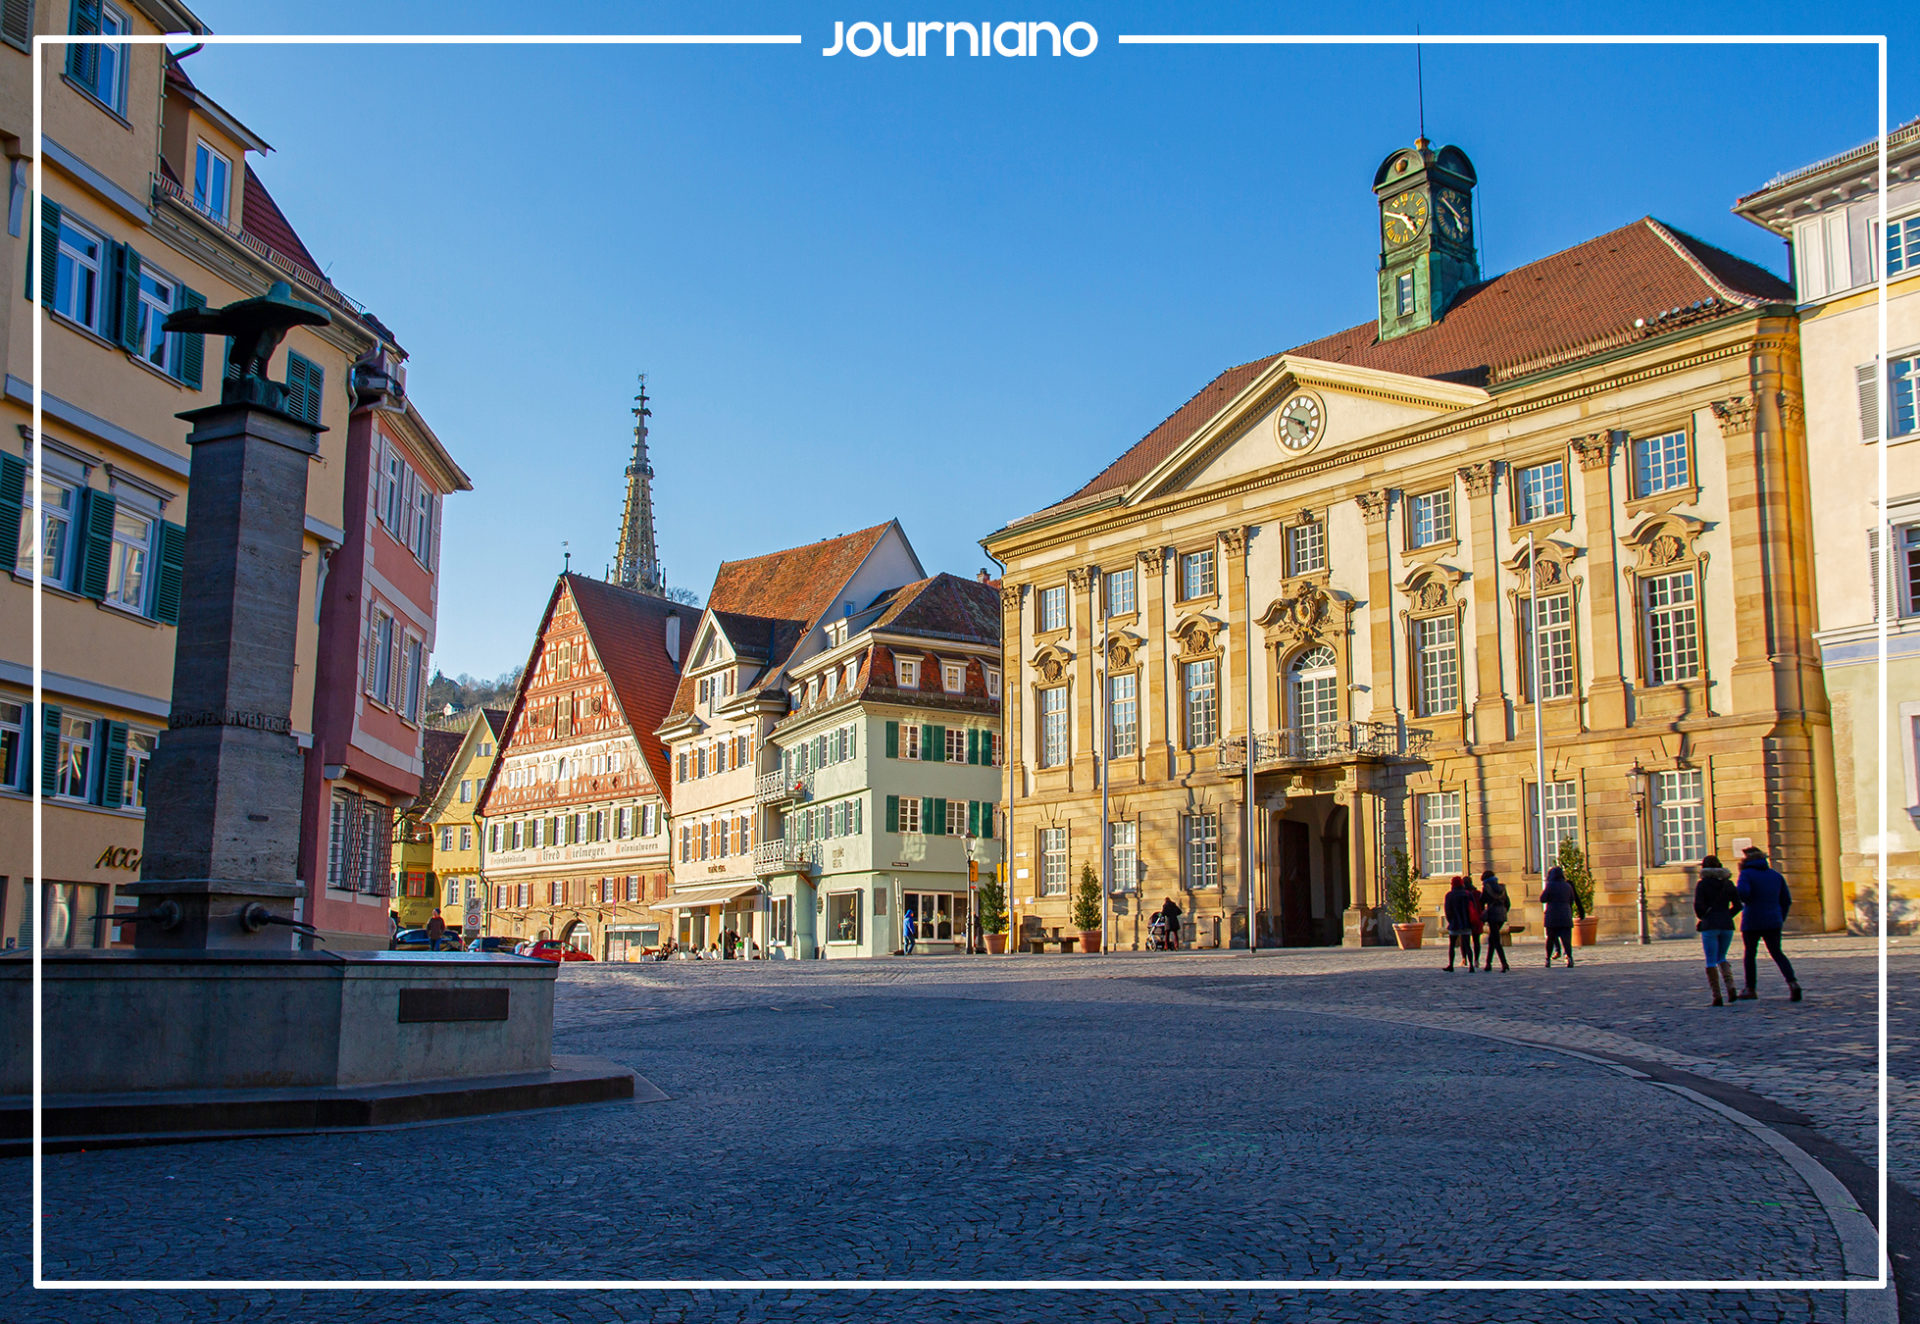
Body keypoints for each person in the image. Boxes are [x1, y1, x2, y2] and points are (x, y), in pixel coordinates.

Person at [1736, 847, 1802, 1001]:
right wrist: (1780, 917)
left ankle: (1750, 988)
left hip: (1753, 919)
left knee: (1750, 954)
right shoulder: (1776, 876)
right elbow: (1786, 901)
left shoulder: (1746, 874)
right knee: (1777, 952)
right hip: (1773, 920)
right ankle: (1793, 983)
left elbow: (1744, 894)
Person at [1694, 854, 1741, 1006]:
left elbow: (1698, 907)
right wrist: (1727, 915)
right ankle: (1731, 988)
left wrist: (1704, 917)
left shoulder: (1702, 885)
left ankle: (1717, 995)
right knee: (1722, 956)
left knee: (1710, 960)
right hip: (1726, 925)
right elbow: (1738, 905)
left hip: (1710, 925)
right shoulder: (1728, 884)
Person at [1541, 865, 1582, 967]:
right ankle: (1569, 957)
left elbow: (1543, 899)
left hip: (1552, 915)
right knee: (1566, 940)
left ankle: (1547, 959)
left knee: (1550, 939)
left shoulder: (1550, 885)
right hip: (1565, 914)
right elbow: (1572, 899)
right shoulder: (1567, 886)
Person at [1442, 876, 1477, 972]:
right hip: (1466, 922)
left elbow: (1447, 910)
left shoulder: (1449, 895)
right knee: (1467, 945)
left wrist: (1450, 921)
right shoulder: (1468, 894)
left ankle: (1451, 965)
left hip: (1454, 922)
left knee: (1452, 945)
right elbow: (1473, 908)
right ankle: (1471, 965)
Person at [1479, 870, 1511, 972]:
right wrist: (1504, 911)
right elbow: (1508, 903)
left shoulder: (1487, 888)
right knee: (1492, 939)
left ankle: (1504, 963)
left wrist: (1483, 913)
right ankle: (1488, 963)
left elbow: (1482, 901)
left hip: (1492, 915)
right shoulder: (1502, 888)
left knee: (1496, 941)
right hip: (1501, 915)